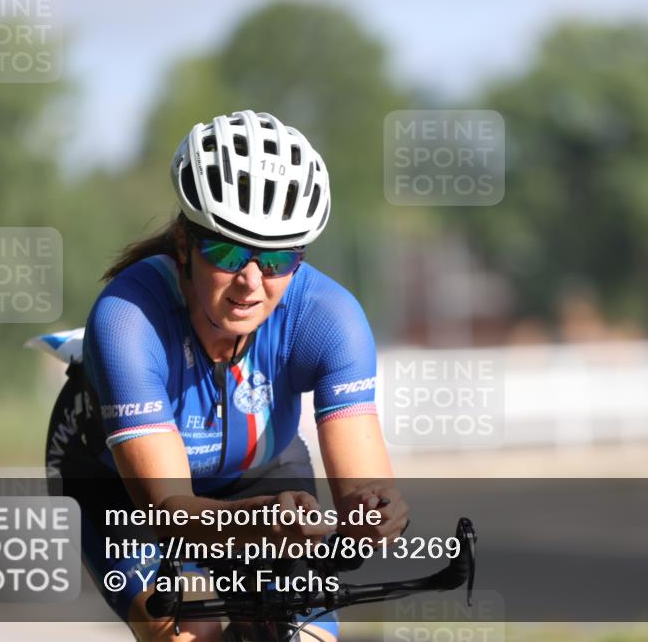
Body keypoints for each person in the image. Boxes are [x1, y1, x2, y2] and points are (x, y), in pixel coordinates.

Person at [41, 110, 408, 642]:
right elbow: (167, 511)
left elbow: (362, 491)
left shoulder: (331, 318)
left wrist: (374, 514)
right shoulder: (127, 317)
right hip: (121, 490)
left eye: (279, 258)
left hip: (259, 470)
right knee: (190, 628)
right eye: (228, 251)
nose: (251, 283)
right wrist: (261, 521)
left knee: (304, 635)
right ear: (185, 243)